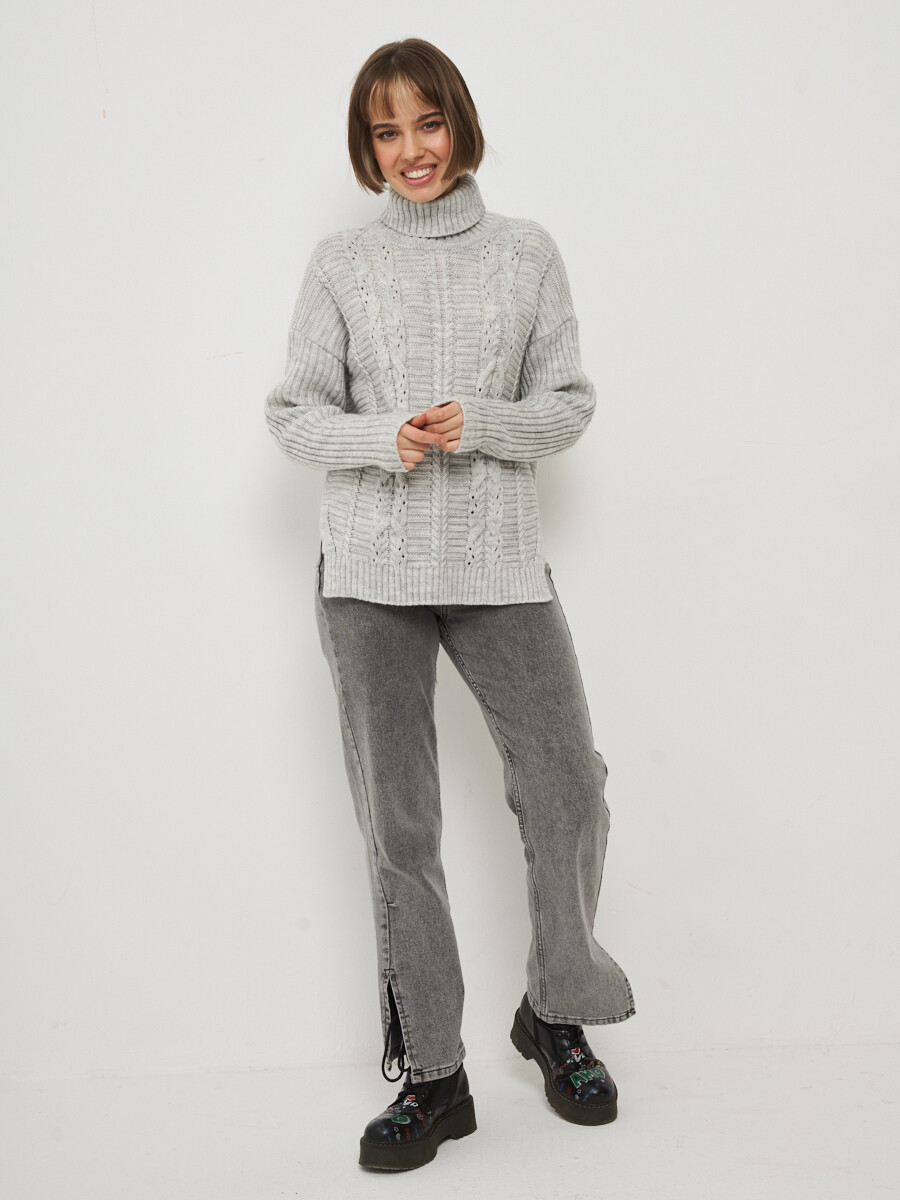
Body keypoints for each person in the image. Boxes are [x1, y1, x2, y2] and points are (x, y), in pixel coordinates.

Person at [264, 37, 636, 1172]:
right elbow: (293, 414)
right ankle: (433, 1076)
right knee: (402, 826)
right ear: (367, 147)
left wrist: (482, 422)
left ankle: (556, 1008)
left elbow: (568, 401)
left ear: (460, 125)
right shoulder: (341, 264)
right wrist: (386, 437)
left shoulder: (527, 254)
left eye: (427, 123)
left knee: (567, 785)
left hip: (499, 567)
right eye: (386, 131)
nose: (411, 150)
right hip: (368, 575)